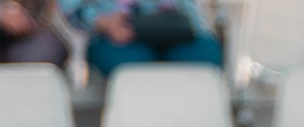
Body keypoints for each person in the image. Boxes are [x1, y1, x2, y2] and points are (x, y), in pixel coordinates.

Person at [62, 0, 222, 78]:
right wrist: (102, 21)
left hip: (176, 29)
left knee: (204, 59)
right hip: (114, 34)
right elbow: (71, 8)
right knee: (132, 69)